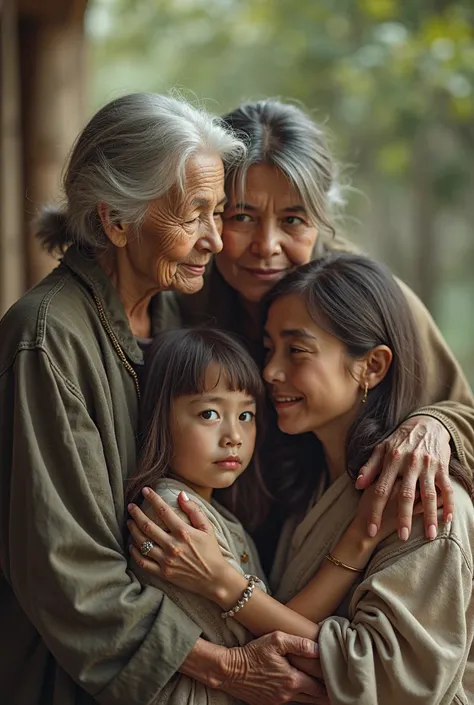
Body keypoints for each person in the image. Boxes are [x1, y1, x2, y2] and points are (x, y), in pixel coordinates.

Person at [0, 93, 324, 705]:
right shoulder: (45, 339)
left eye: (217, 213)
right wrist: (228, 667)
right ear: (117, 222)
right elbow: (66, 577)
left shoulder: (176, 308)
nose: (215, 240)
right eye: (192, 215)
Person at [128, 253, 474, 704]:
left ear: (371, 367)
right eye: (269, 349)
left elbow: (393, 686)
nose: (269, 372)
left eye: (297, 350)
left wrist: (224, 584)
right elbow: (270, 652)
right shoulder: (308, 486)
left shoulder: (422, 500)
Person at [176, 99, 474, 564]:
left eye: (292, 221)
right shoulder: (186, 297)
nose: (266, 246)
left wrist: (432, 424)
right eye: (242, 217)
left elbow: (463, 410)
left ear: (320, 220)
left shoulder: (361, 300)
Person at [127, 326, 403, 704]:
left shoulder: (218, 513)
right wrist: (361, 539)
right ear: (161, 417)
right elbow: (273, 646)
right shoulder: (174, 513)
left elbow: (267, 617)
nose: (234, 436)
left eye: (246, 415)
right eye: (209, 413)